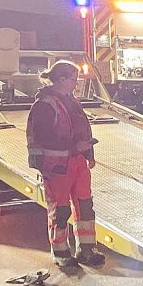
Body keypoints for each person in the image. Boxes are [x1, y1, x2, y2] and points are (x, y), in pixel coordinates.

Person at [26, 60, 106, 268]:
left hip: (77, 162)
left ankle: (86, 249)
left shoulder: (70, 100)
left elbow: (81, 128)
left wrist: (88, 153)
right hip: (57, 165)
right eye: (74, 78)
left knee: (85, 206)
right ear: (62, 79)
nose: (77, 83)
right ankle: (61, 251)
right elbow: (42, 137)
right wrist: (74, 146)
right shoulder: (44, 104)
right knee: (60, 209)